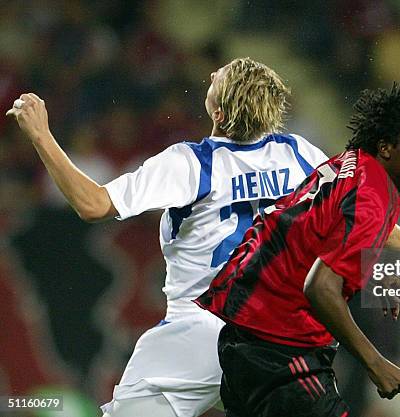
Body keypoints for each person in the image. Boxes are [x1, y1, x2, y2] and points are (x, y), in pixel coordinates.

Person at [6, 58, 329, 417]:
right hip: (278, 338)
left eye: (217, 78)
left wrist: (40, 135)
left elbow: (93, 204)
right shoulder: (299, 154)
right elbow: (363, 212)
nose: (209, 73)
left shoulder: (191, 163)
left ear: (219, 114)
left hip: (203, 332)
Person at [196, 82, 400, 416]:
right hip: (281, 348)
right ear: (386, 147)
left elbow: (318, 234)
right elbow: (321, 286)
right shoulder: (373, 197)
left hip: (245, 336)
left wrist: (390, 264)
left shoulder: (352, 165)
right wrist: (375, 362)